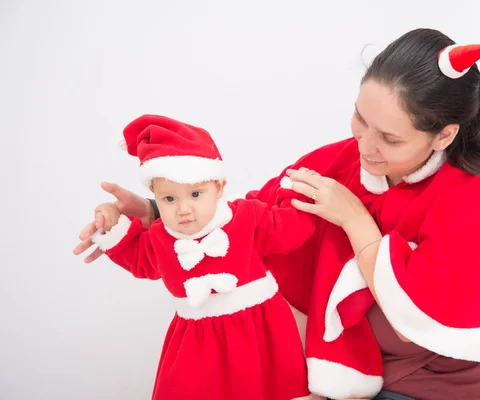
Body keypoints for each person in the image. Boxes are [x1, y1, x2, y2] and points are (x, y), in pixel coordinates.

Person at [74, 28, 480, 400]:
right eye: (361, 119)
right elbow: (252, 215)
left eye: (390, 139)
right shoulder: (346, 158)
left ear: (442, 136)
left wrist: (353, 218)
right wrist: (158, 212)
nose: (365, 147)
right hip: (347, 369)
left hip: (432, 386)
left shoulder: (474, 196)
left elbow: (427, 308)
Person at [87, 114, 315, 400]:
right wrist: (112, 227)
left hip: (261, 333)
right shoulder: (160, 236)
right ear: (155, 196)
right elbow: (138, 259)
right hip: (197, 343)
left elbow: (289, 230)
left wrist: (298, 195)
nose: (183, 209)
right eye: (169, 199)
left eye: (195, 194)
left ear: (218, 187)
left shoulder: (247, 216)